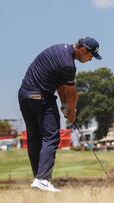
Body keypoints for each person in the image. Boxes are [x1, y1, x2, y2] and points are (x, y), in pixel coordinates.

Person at [18, 37, 102, 192]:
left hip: (24, 95)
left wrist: (64, 106)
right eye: (91, 56)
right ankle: (43, 179)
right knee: (51, 136)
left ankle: (38, 179)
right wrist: (72, 113)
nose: (90, 60)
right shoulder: (69, 65)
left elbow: (59, 84)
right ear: (83, 50)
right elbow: (72, 93)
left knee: (35, 138)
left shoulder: (59, 49)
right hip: (40, 97)